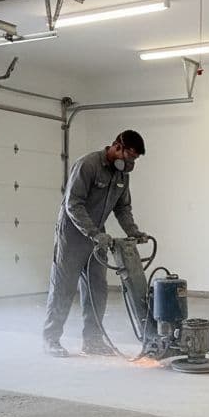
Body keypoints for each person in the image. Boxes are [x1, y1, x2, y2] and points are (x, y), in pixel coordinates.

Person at [42, 130, 151, 357]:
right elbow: (73, 204)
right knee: (64, 288)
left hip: (97, 237)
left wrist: (134, 231)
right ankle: (51, 339)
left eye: (135, 160)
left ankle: (92, 340)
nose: (130, 163)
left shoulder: (122, 176)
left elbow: (122, 208)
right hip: (71, 235)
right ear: (117, 146)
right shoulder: (88, 165)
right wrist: (93, 232)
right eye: (129, 157)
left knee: (97, 290)